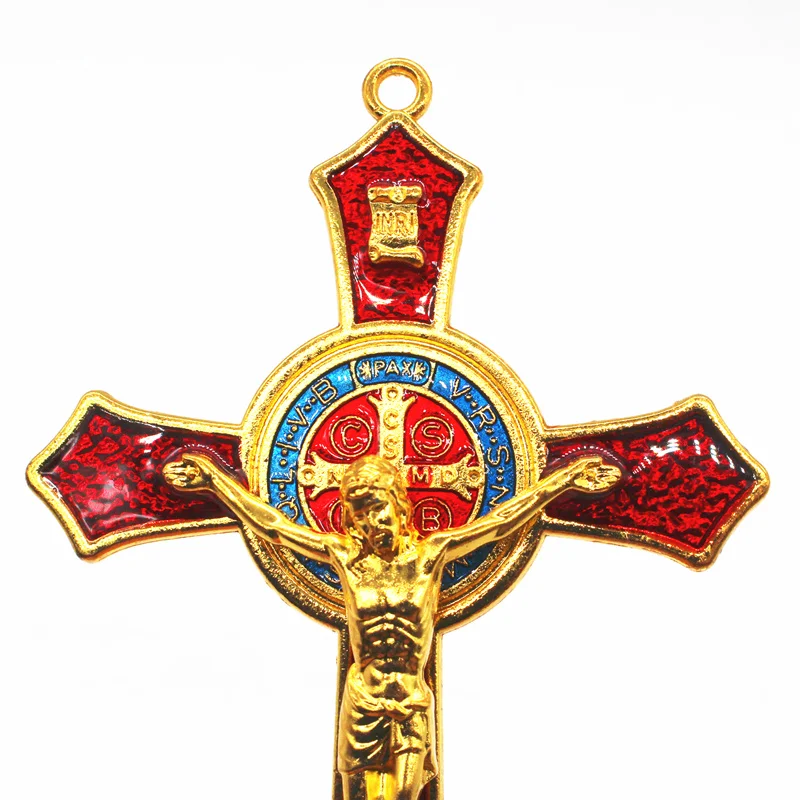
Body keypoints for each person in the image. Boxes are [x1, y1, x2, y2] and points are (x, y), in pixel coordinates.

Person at [163, 452, 620, 800]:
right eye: (359, 513)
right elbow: (274, 526)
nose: (371, 521)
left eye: (377, 508)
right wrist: (216, 481)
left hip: (410, 700)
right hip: (363, 699)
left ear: (399, 504)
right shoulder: (346, 558)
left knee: (404, 796)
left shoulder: (430, 556)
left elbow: (502, 523)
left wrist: (563, 481)